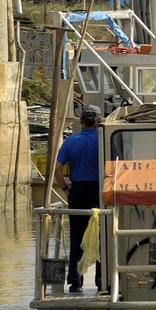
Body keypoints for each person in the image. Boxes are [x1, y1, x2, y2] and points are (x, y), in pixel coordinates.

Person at [56, 105, 104, 293]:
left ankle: (76, 281)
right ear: (99, 120)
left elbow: (57, 169)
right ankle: (102, 281)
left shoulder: (71, 141)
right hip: (100, 191)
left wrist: (65, 189)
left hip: (78, 191)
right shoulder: (104, 140)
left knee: (77, 237)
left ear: (81, 121)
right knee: (102, 237)